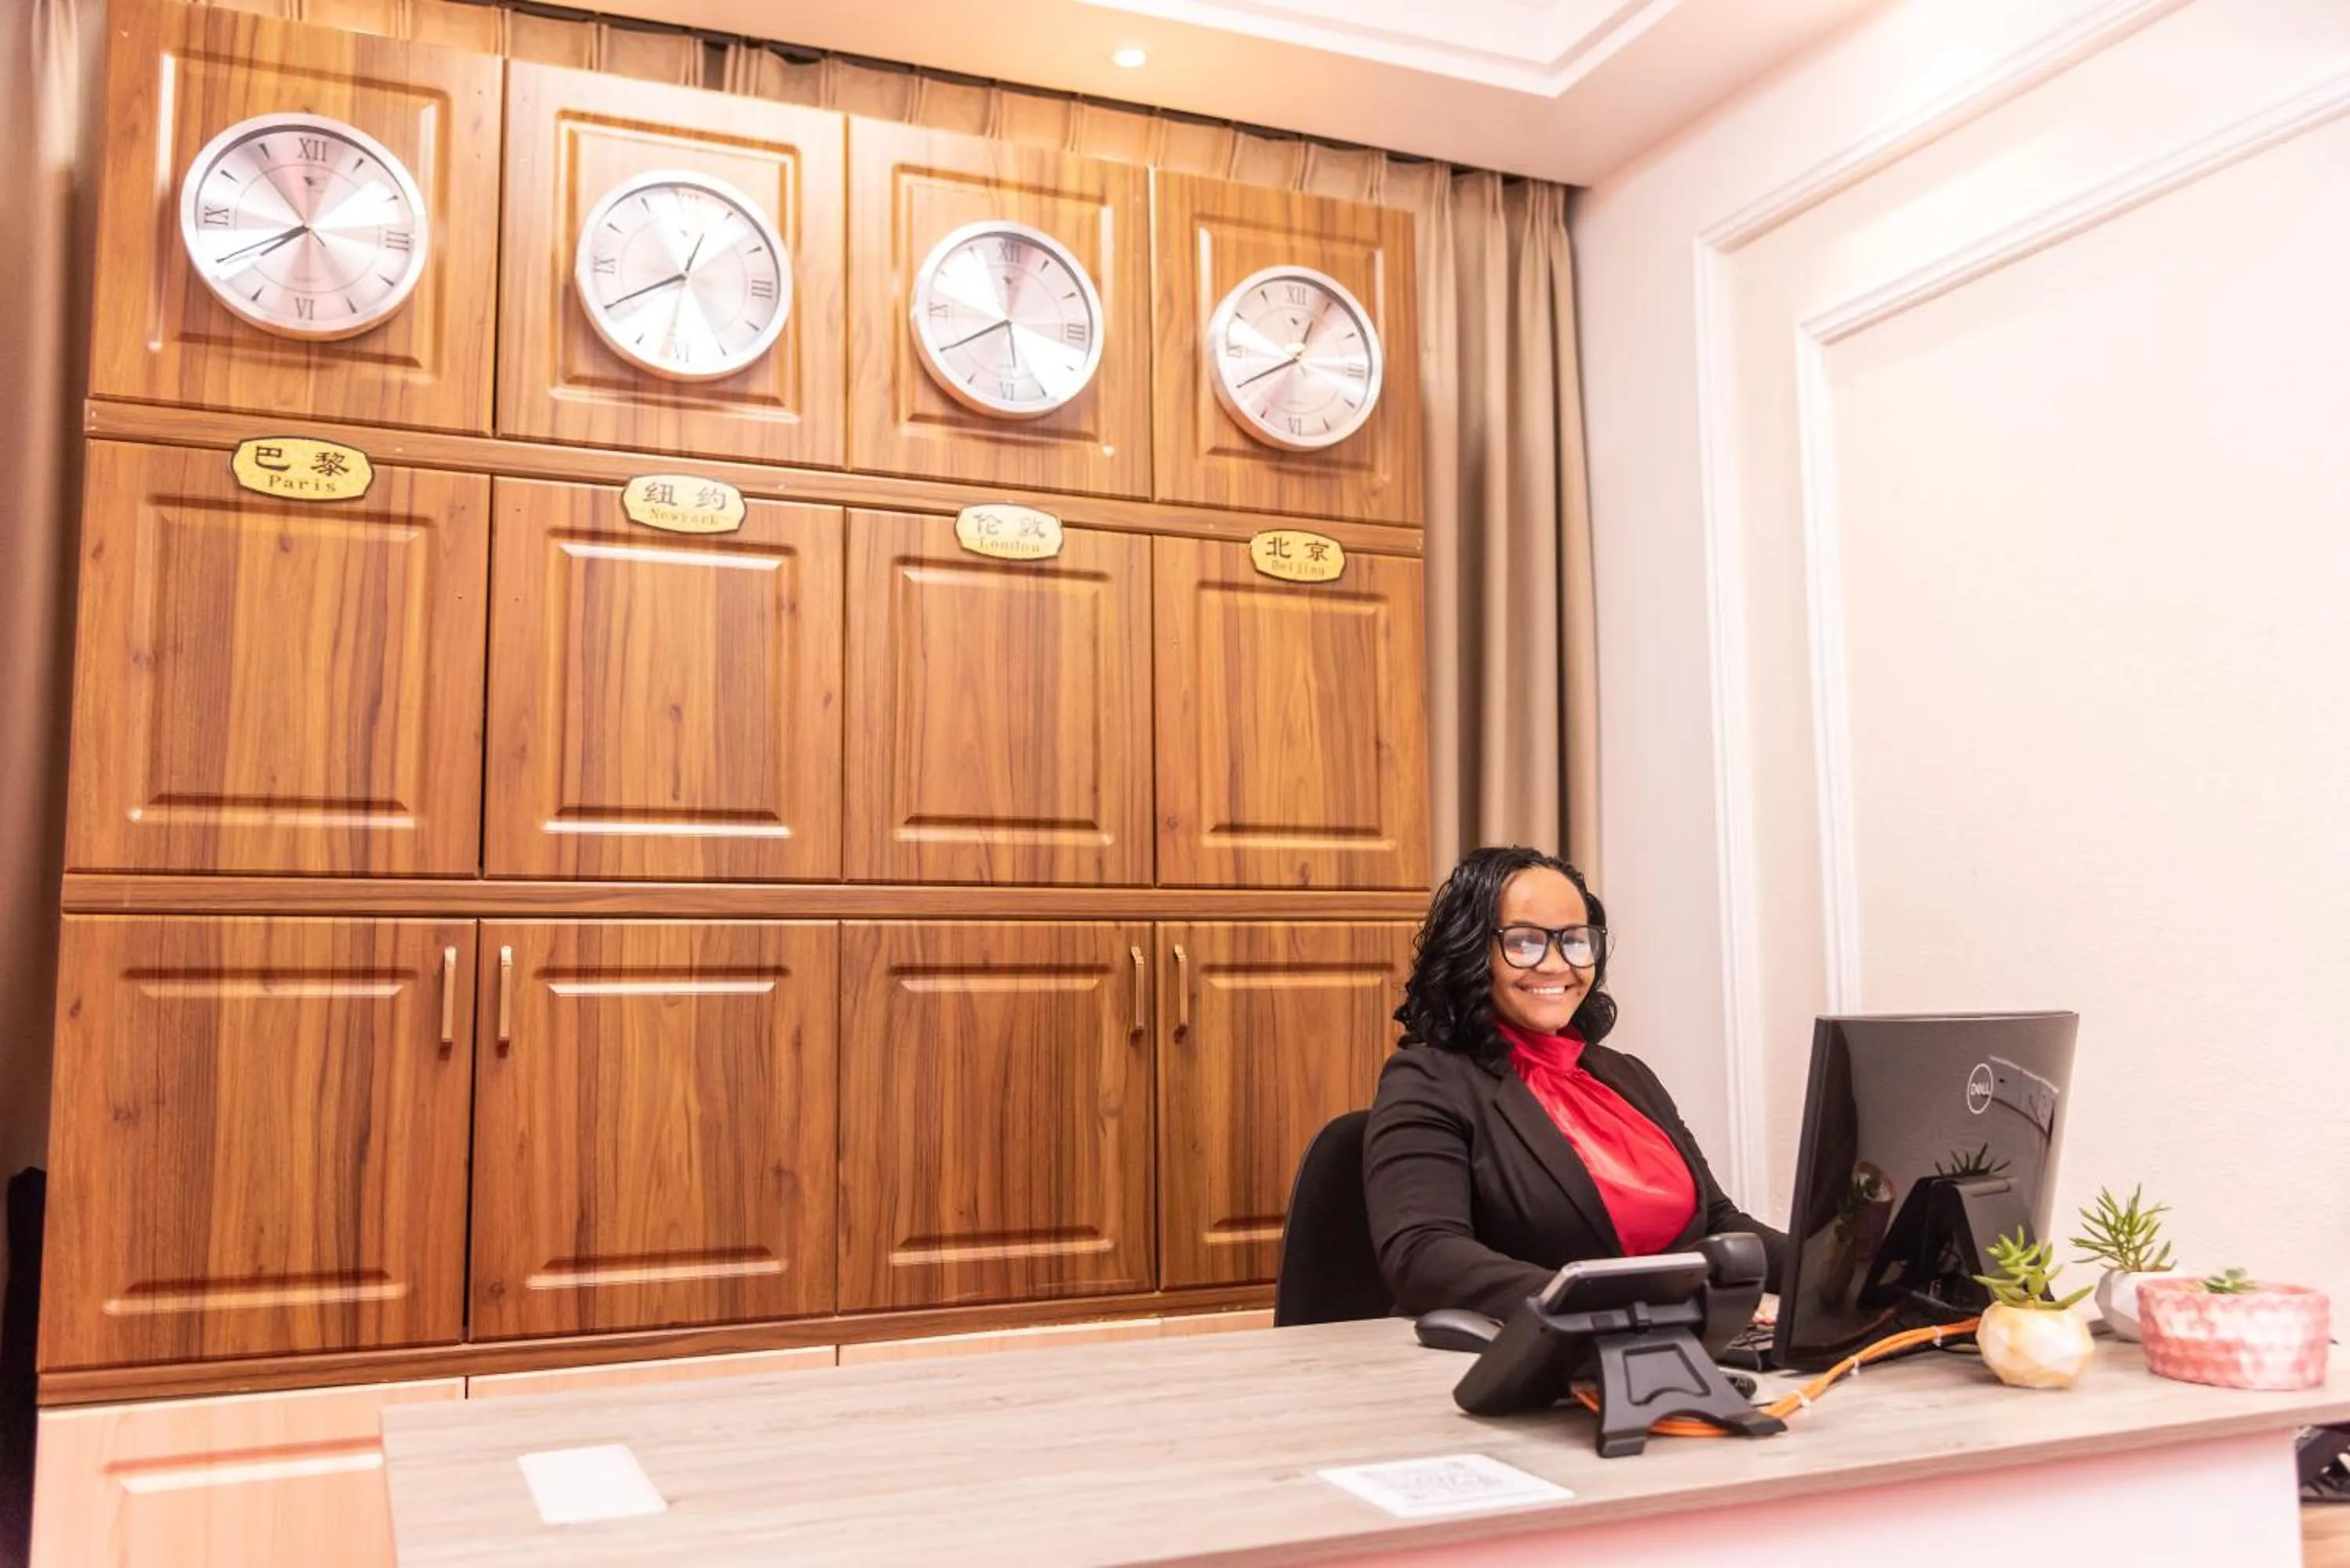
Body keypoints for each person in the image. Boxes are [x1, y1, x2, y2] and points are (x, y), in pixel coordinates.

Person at [1364, 845, 1787, 1320]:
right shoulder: (1427, 1080)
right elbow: (1423, 1257)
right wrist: (1630, 1306)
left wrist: (1839, 1271)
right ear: (1472, 952)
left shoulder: (1626, 1075)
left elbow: (1717, 1222)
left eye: (1575, 940)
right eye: (1524, 942)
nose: (1556, 964)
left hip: (1675, 1340)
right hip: (1524, 1358)